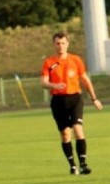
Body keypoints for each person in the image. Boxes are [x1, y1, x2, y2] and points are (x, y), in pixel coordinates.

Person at [40, 32, 103, 175]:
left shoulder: (75, 60)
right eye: (57, 43)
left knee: (78, 129)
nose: (60, 46)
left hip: (75, 98)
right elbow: (43, 82)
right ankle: (72, 165)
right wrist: (54, 86)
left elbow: (85, 79)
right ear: (54, 45)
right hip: (58, 101)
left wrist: (94, 98)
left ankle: (83, 164)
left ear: (67, 44)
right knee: (65, 134)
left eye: (63, 43)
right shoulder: (51, 63)